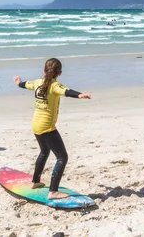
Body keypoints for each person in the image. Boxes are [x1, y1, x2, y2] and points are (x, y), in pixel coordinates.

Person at [13, 58, 91, 199]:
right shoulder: (55, 85)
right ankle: (53, 191)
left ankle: (35, 181)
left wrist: (18, 83)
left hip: (36, 124)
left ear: (44, 70)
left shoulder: (37, 82)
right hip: (47, 127)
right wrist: (79, 95)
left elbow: (25, 85)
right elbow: (66, 91)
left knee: (44, 152)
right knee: (62, 157)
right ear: (59, 73)